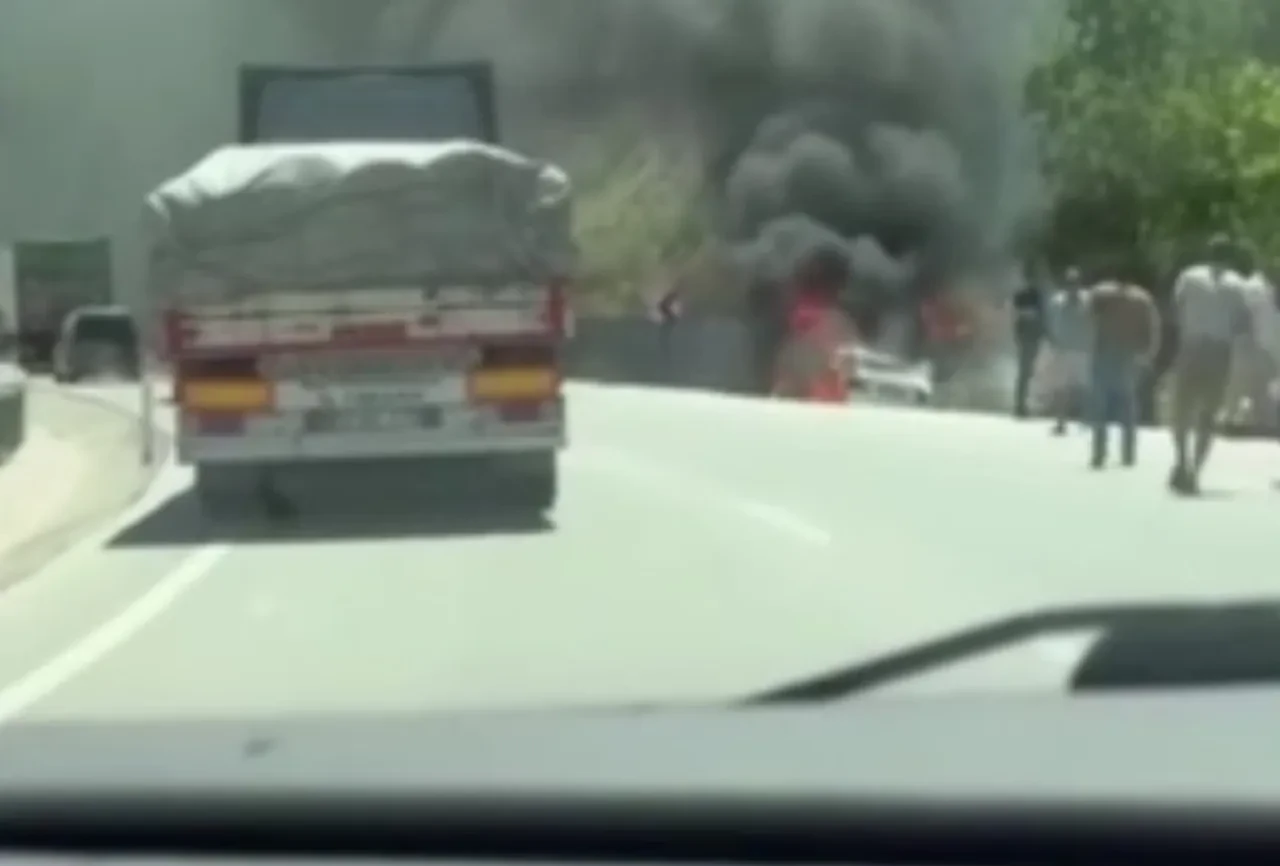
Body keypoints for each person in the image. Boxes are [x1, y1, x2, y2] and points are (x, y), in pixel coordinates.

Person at [1168, 234, 1251, 495]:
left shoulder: (1189, 276)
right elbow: (1243, 324)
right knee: (1208, 414)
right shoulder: (1239, 284)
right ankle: (1195, 469)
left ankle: (1181, 460)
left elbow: (1176, 308)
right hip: (1219, 351)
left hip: (1191, 346)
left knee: (1181, 408)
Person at [1083, 264, 1160, 469]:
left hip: (1104, 354)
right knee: (1127, 405)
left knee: (1100, 405)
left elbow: (1088, 319)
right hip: (1129, 356)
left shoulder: (1101, 293)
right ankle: (1128, 453)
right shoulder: (1142, 299)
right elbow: (1152, 329)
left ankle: (1099, 452)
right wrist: (1148, 355)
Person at [1045, 266, 1092, 435]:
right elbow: (1051, 323)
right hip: (1062, 349)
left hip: (1082, 349)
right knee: (1061, 388)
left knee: (1085, 387)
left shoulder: (1088, 301)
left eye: (1075, 282)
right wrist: (1052, 342)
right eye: (1070, 282)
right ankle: (1061, 421)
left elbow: (1093, 323)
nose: (1073, 285)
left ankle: (1086, 420)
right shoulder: (1057, 301)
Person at [1011, 262, 1047, 418]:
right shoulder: (1024, 295)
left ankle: (1024, 403)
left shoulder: (1038, 295)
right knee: (1025, 371)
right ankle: (1020, 404)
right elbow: (1017, 315)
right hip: (1026, 337)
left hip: (1032, 337)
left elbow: (1041, 317)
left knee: (1028, 372)